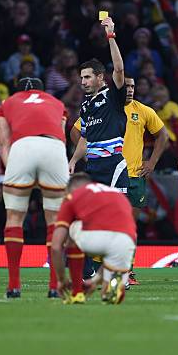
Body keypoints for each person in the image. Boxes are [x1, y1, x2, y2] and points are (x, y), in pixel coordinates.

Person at [68, 16, 128, 290]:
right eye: (81, 77)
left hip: (114, 165)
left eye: (88, 76)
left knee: (116, 220)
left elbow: (119, 67)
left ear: (100, 78)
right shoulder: (86, 106)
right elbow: (86, 138)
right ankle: (92, 272)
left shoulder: (113, 96)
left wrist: (111, 36)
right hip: (93, 167)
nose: (83, 81)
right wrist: (73, 160)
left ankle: (121, 275)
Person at [0, 77, 69, 298]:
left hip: (22, 148)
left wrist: (15, 172)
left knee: (15, 218)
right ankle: (55, 286)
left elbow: (4, 143)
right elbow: (63, 137)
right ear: (42, 91)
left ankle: (13, 285)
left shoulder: (7, 103)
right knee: (55, 221)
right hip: (54, 148)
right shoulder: (57, 103)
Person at [51, 173, 137, 305]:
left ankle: (77, 292)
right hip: (127, 242)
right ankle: (112, 285)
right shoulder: (115, 193)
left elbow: (56, 246)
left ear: (71, 188)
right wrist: (94, 281)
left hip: (93, 239)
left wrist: (62, 280)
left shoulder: (73, 196)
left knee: (72, 230)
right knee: (107, 292)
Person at [121, 76, 169, 284]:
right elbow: (77, 131)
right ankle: (100, 268)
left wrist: (151, 163)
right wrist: (91, 154)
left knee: (129, 225)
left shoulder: (143, 110)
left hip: (134, 176)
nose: (131, 89)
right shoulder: (104, 106)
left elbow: (163, 135)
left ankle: (127, 271)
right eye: (126, 86)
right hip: (108, 175)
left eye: (133, 86)